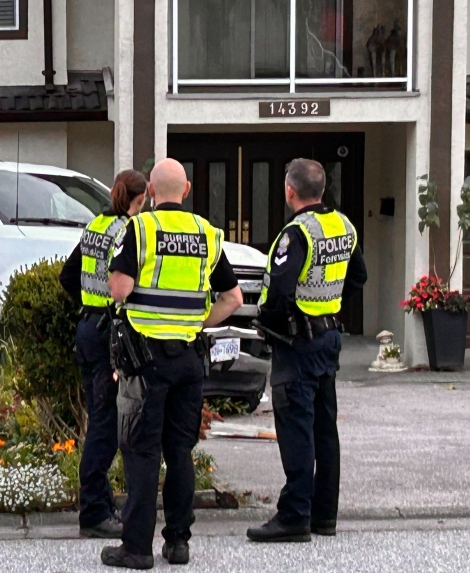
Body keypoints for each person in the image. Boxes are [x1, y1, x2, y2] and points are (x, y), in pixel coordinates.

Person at [101, 158, 243, 569]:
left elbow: (120, 289)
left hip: (146, 363)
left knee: (142, 452)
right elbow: (233, 298)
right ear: (188, 189)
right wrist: (197, 321)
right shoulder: (207, 234)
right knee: (180, 451)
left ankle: (137, 549)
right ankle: (178, 543)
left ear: (149, 194)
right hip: (188, 359)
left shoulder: (140, 229)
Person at [247, 158, 367, 543]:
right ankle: (323, 516)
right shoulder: (343, 225)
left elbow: (280, 291)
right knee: (323, 428)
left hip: (298, 343)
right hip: (328, 337)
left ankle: (294, 515)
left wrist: (273, 324)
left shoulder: (297, 233)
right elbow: (358, 276)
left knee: (297, 429)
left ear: (290, 191)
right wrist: (328, 304)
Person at [59, 169, 148, 539]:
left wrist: (88, 304)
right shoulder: (127, 232)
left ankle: (100, 502)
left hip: (88, 329)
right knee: (105, 425)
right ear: (138, 200)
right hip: (110, 332)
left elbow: (68, 275)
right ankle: (94, 510)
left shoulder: (94, 225)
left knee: (99, 417)